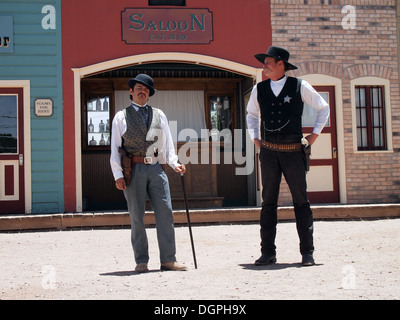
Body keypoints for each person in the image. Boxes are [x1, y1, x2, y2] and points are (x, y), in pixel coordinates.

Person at [246, 46, 330, 266]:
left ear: (281, 63)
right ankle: (268, 253)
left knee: (301, 202)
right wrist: (255, 138)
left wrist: (313, 136)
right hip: (269, 154)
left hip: (294, 153)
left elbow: (323, 108)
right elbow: (251, 115)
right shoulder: (259, 89)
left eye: (268, 61)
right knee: (268, 203)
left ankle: (307, 253)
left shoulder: (300, 86)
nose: (264, 65)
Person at [110, 74, 187, 273]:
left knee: (165, 213)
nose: (141, 91)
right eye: (138, 88)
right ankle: (141, 261)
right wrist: (118, 174)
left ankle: (168, 260)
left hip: (155, 167)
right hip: (132, 169)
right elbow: (115, 148)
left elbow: (167, 143)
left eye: (146, 89)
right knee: (137, 216)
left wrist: (174, 163)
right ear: (131, 91)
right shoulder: (120, 116)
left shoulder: (159, 114)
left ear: (149, 93)